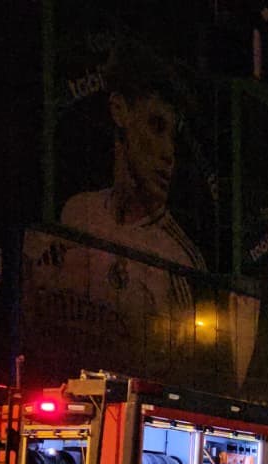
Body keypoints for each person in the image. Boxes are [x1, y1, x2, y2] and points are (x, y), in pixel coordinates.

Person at [59, 39, 204, 360]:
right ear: (120, 111)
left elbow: (185, 367)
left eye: (173, 137)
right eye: (156, 126)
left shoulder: (179, 259)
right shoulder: (77, 213)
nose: (169, 153)